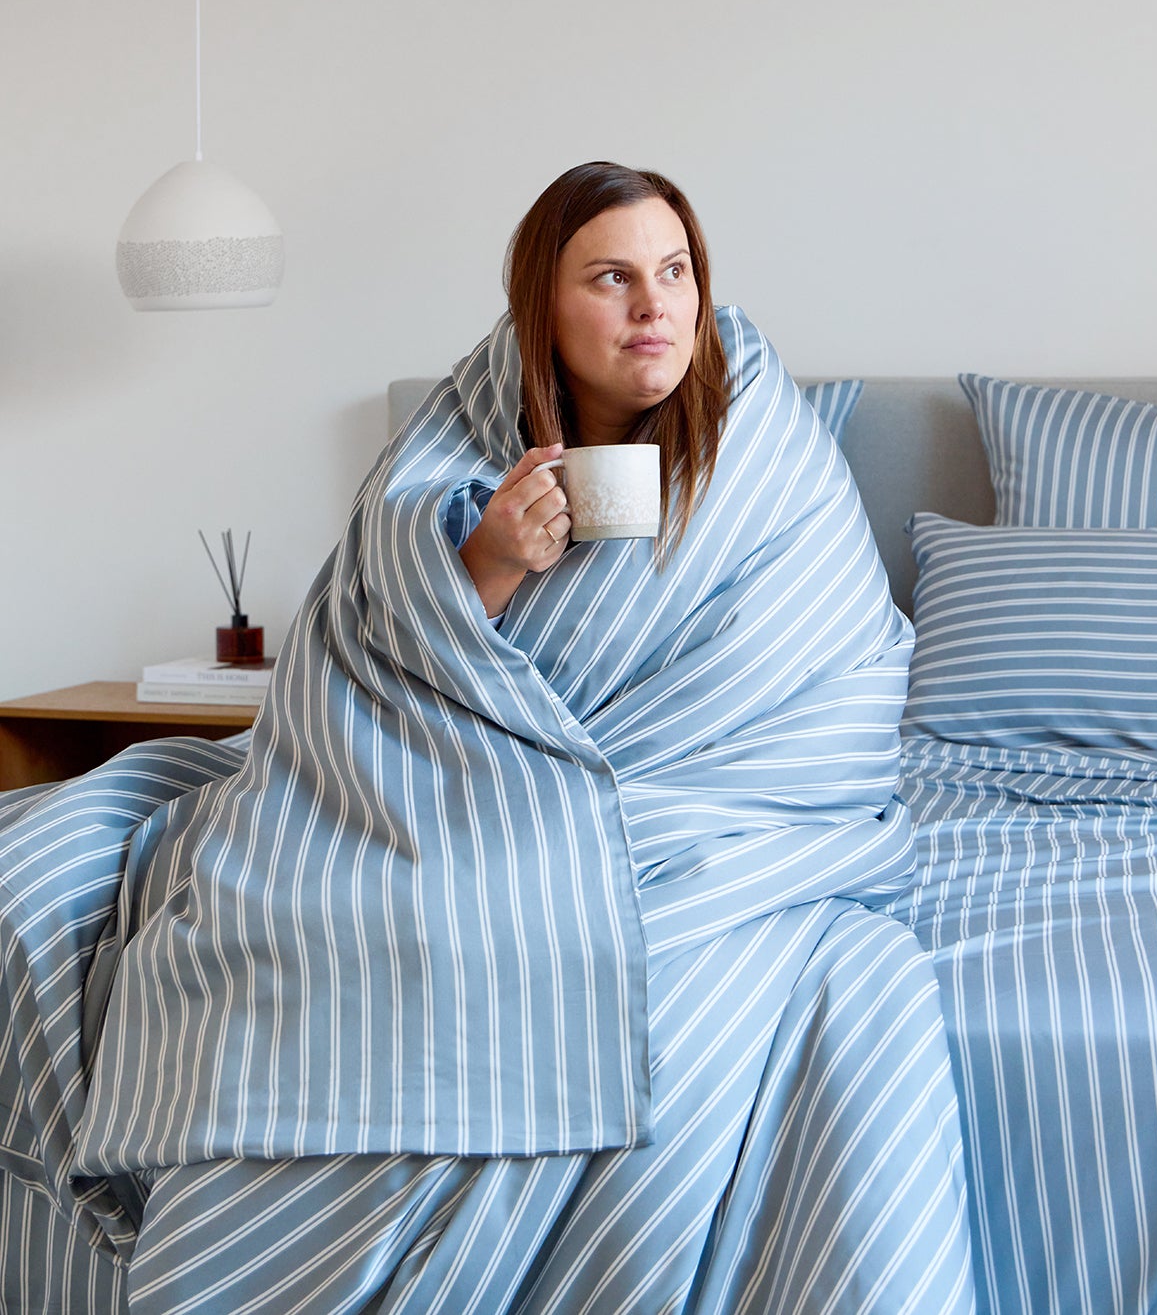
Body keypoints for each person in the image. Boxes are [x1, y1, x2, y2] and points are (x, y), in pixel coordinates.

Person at [0, 163, 976, 1315]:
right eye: (612, 278)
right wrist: (487, 563)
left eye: (675, 272)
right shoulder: (462, 430)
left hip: (703, 798)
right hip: (451, 771)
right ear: (540, 307)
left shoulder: (765, 442)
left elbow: (822, 677)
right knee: (69, 864)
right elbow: (360, 633)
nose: (654, 306)